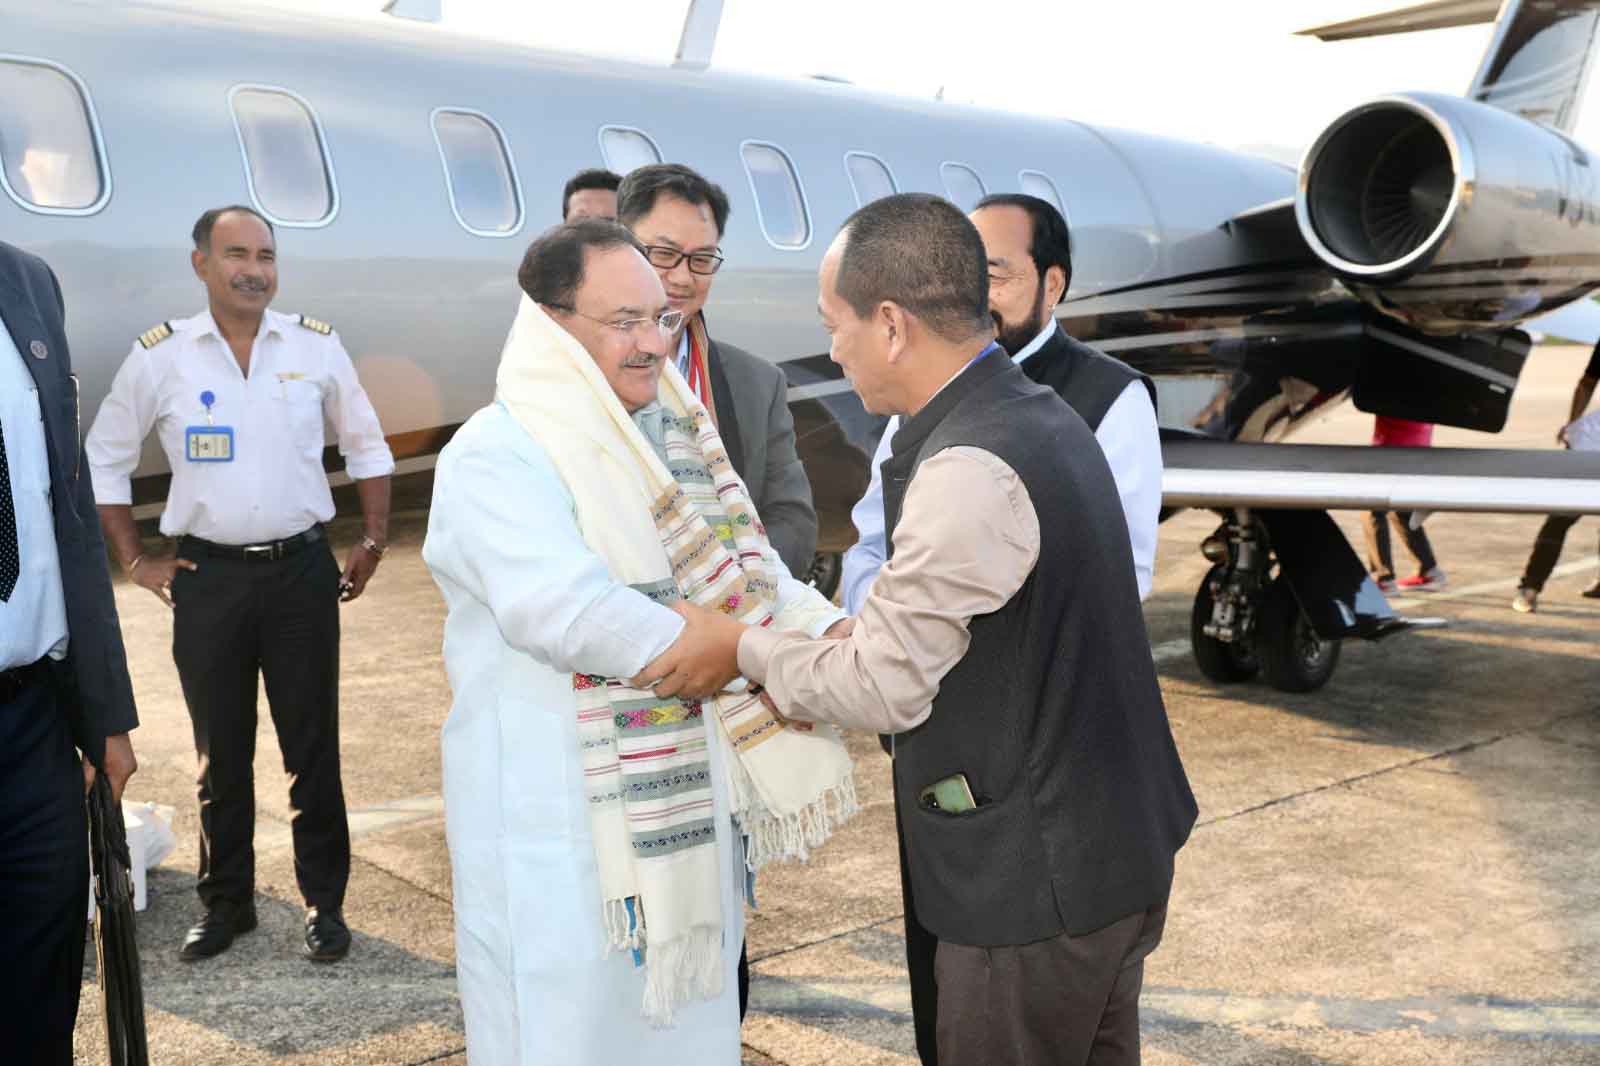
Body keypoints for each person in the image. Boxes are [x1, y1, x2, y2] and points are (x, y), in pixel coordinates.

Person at [648, 194, 1198, 1066]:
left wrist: (739, 648)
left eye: (837, 325)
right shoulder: (1036, 413)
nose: (831, 349)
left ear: (893, 325)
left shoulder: (971, 465)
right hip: (1107, 857)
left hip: (1033, 888)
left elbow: (885, 686)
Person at [421, 219, 856, 1064]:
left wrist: (834, 633)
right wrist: (741, 651)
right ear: (549, 322)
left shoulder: (675, 442)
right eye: (622, 321)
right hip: (558, 833)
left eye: (661, 319)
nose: (651, 342)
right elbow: (567, 611)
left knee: (687, 1036)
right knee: (568, 1035)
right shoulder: (496, 453)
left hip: (684, 821)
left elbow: (753, 569)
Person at [86, 204, 395, 963]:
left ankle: (325, 903)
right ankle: (226, 904)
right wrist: (135, 558)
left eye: (266, 254)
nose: (254, 269)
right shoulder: (163, 357)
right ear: (201, 264)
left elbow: (367, 443)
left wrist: (375, 536)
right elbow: (103, 457)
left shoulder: (316, 347)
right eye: (235, 254)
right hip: (207, 578)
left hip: (300, 573)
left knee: (311, 745)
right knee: (219, 751)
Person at [841, 192, 1160, 613]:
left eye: (994, 277)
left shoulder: (1114, 396)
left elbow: (1123, 574)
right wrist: (883, 628)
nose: (974, 298)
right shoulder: (921, 382)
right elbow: (871, 541)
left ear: (1053, 286)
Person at [0, 240, 140, 1062]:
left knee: (40, 994)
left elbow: (67, 505)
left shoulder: (26, 281)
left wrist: (104, 716)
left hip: (33, 722)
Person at [617, 163, 818, 579]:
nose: (682, 277)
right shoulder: (571, 371)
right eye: (664, 254)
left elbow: (793, 521)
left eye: (702, 259)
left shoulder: (757, 385)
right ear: (621, 246)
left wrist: (734, 590)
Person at [1512, 340, 1600, 612]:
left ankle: (1530, 588)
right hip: (1594, 440)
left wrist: (1573, 424)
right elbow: (1587, 382)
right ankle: (1530, 586)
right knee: (1561, 517)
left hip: (1593, 440)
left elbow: (1587, 383)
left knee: (1560, 518)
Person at [1363, 415, 1446, 592]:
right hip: (1418, 448)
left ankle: (1383, 578)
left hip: (1391, 452)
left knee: (1373, 512)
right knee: (1402, 512)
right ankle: (1428, 571)